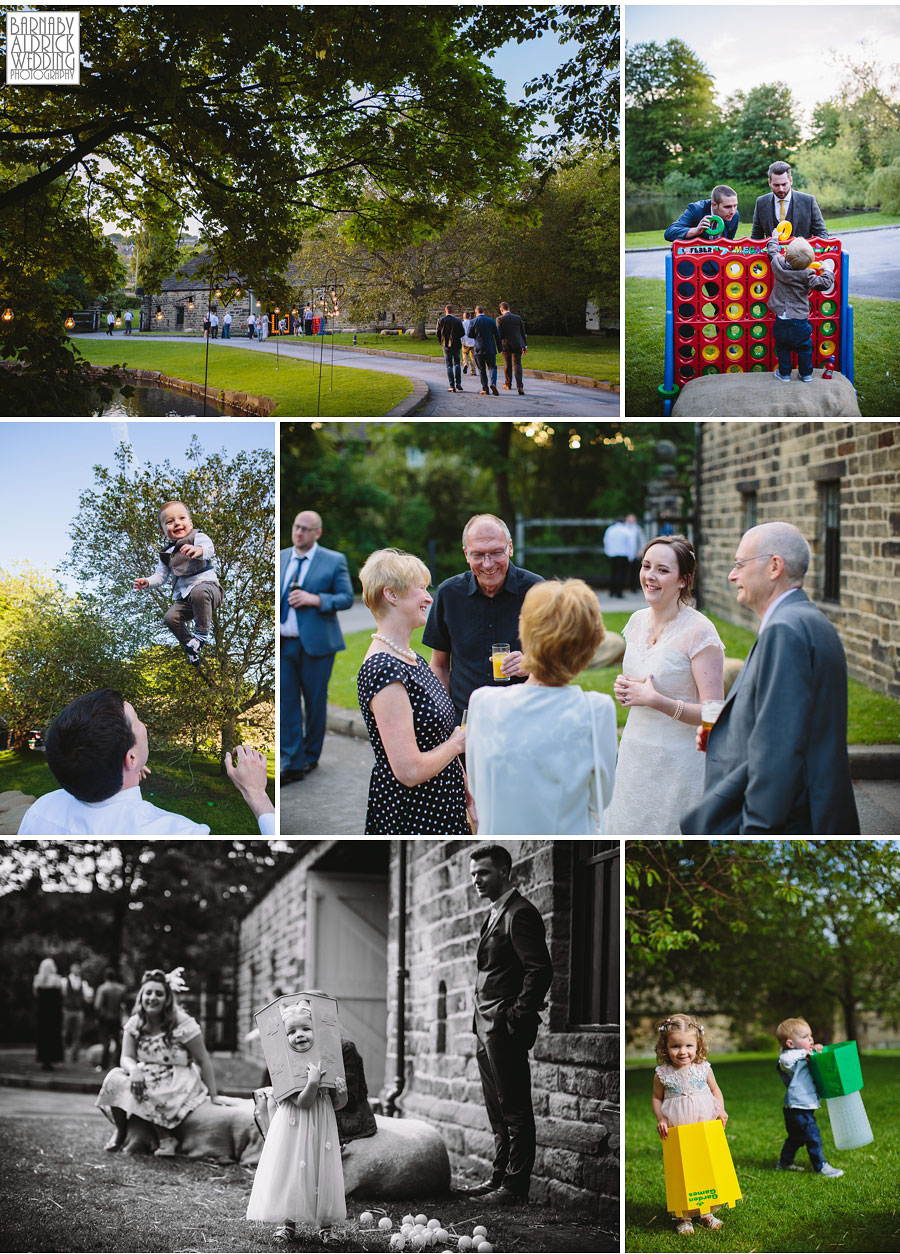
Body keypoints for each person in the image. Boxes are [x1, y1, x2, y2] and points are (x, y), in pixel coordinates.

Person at [681, 521, 860, 834]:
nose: (732, 575)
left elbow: (779, 750)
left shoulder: (784, 630)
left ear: (774, 566)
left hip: (792, 821)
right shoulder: (809, 619)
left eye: (739, 564)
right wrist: (725, 737)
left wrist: (755, 833)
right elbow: (791, 721)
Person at [466, 580, 617, 834]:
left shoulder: (483, 702)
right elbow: (599, 799)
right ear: (589, 646)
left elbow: (480, 789)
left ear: (525, 631)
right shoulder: (597, 709)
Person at [17, 689, 275, 835]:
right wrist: (256, 793)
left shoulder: (42, 809)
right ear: (130, 757)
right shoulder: (179, 833)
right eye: (138, 719)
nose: (145, 726)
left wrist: (123, 778)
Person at [604, 535, 725, 835]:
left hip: (679, 763)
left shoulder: (700, 631)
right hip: (634, 753)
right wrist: (626, 689)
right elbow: (642, 681)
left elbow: (715, 713)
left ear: (683, 580)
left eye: (662, 570)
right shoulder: (635, 621)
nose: (650, 576)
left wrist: (656, 700)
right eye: (646, 566)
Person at [357, 549, 467, 835]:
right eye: (420, 588)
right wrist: (457, 745)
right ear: (391, 595)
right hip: (415, 811)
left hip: (443, 802)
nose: (429, 597)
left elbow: (440, 735)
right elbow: (408, 771)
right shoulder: (383, 668)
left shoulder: (413, 658)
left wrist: (464, 787)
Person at [467, 844, 553, 1204]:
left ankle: (514, 1188)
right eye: (473, 875)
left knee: (515, 1109)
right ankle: (498, 1178)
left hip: (503, 1027)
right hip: (483, 1027)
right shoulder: (493, 913)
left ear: (504, 871)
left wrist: (516, 1017)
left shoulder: (520, 913)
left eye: (483, 873)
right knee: (497, 1109)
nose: (477, 881)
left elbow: (540, 969)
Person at [423, 514, 543, 722]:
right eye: (478, 555)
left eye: (496, 552)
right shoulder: (449, 593)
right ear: (466, 554)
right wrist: (444, 719)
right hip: (467, 723)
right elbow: (440, 665)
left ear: (510, 548)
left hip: (525, 718)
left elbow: (558, 661)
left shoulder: (538, 590)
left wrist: (532, 664)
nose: (488, 564)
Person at [247, 1000, 348, 1240]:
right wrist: (312, 1082)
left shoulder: (325, 1062)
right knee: (292, 1172)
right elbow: (302, 1102)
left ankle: (325, 1227)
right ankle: (287, 1224)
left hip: (321, 1126)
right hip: (295, 1126)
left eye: (305, 1028)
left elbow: (335, 1105)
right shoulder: (284, 1068)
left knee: (321, 1172)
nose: (298, 1035)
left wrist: (342, 1095)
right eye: (291, 1031)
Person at [97, 967, 222, 1155]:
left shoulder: (182, 1023)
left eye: (159, 994)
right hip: (145, 1072)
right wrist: (134, 1070)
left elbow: (203, 1059)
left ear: (167, 999)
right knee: (114, 1077)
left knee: (147, 1083)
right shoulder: (135, 1023)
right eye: (148, 993)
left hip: (178, 1078)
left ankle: (165, 1137)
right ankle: (121, 1131)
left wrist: (214, 1096)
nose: (152, 998)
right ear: (141, 997)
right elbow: (126, 1057)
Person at [280, 510, 353, 786]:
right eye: (297, 526)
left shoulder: (334, 560)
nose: (299, 532)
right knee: (287, 703)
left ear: (317, 533)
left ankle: (310, 756)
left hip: (318, 645)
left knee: (314, 702)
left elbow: (346, 598)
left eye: (306, 529)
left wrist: (314, 599)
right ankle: (292, 762)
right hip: (284, 643)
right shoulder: (282, 556)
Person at [653, 1014, 729, 1236]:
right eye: (675, 1046)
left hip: (703, 1123)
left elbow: (715, 1090)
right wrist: (661, 1118)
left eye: (688, 1045)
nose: (682, 1051)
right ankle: (683, 1216)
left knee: (705, 1166)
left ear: (698, 1045)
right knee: (682, 1169)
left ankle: (706, 1212)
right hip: (678, 1126)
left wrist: (720, 1110)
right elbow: (657, 1098)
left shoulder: (703, 1068)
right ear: (665, 1047)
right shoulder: (662, 1074)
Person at [134, 499, 222, 666]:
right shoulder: (165, 554)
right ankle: (191, 647)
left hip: (209, 590)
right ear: (163, 532)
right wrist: (147, 581)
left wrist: (199, 550)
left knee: (198, 592)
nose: (177, 523)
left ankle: (201, 636)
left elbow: (209, 548)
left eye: (181, 518)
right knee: (170, 618)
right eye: (170, 521)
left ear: (190, 522)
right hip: (185, 599)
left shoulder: (197, 537)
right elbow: (160, 576)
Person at [775, 1017, 843, 1178]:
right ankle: (821, 1167)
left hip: (802, 1107)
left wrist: (814, 1050)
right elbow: (784, 1060)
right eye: (805, 1037)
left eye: (810, 1035)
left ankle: (784, 1162)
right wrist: (804, 1051)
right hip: (797, 1108)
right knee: (813, 1137)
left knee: (796, 1138)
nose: (811, 1039)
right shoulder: (789, 1059)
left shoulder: (804, 1055)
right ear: (791, 1044)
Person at [766, 235, 835, 383]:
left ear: (786, 254)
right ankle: (806, 374)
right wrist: (827, 270)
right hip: (799, 321)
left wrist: (774, 238)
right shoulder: (807, 274)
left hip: (781, 319)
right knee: (804, 348)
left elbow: (771, 251)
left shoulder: (777, 264)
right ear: (808, 264)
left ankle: (784, 374)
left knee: (782, 347)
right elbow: (824, 283)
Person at [751, 161, 829, 240]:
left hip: (801, 252)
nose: (781, 189)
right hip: (772, 252)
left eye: (784, 184)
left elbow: (822, 233)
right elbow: (756, 237)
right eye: (776, 185)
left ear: (791, 181)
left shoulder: (808, 201)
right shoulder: (761, 202)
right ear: (769, 182)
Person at [664, 185, 740, 242]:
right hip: (693, 258)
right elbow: (669, 233)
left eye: (735, 205)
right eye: (727, 207)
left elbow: (728, 242)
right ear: (714, 205)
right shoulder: (696, 209)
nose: (732, 211)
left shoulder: (735, 215)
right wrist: (695, 231)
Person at [33, 958, 64, 1071]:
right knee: (53, 1035)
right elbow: (61, 994)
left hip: (42, 1013)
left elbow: (36, 995)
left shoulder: (37, 979)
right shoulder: (57, 979)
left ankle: (44, 1060)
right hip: (54, 1013)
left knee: (43, 1035)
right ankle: (51, 1059)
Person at [94, 968, 128, 1072]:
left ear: (105, 977)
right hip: (117, 1017)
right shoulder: (121, 989)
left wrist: (97, 1017)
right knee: (118, 1041)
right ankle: (118, 1062)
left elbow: (97, 1005)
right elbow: (124, 1005)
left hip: (105, 1018)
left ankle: (104, 1064)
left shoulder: (103, 989)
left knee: (105, 1042)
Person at [469, 304, 502, 396]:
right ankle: (493, 383)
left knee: (481, 369)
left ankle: (485, 388)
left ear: (476, 313)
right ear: (484, 312)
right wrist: (500, 348)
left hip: (478, 348)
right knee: (492, 367)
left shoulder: (473, 322)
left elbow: (469, 335)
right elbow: (497, 335)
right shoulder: (491, 321)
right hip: (490, 348)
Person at [497, 301, 527, 395]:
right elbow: (523, 332)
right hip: (518, 344)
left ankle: (508, 384)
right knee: (517, 365)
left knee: (507, 365)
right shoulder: (517, 318)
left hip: (506, 345)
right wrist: (524, 345)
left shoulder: (500, 319)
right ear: (509, 308)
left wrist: (499, 345)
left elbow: (499, 335)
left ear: (501, 310)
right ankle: (520, 386)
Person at [63, 961, 90, 1063]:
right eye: (76, 968)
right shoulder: (64, 981)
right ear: (71, 969)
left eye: (79, 968)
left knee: (77, 1034)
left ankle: (74, 1056)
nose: (78, 970)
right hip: (67, 1010)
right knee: (64, 1033)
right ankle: (62, 1054)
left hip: (79, 1011)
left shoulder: (83, 983)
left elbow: (87, 998)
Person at [435, 303, 465, 393]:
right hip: (456, 344)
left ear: (445, 311)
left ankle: (451, 385)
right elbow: (462, 333)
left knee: (449, 365)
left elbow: (438, 333)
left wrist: (441, 342)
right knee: (457, 364)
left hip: (445, 344)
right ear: (453, 311)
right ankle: (458, 383)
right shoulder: (458, 321)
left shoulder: (441, 320)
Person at [602, 517, 633, 598]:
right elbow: (631, 544)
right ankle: (619, 592)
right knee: (621, 574)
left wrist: (607, 552)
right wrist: (631, 555)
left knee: (613, 573)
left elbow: (606, 541)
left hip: (612, 554)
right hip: (623, 554)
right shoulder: (626, 530)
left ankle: (612, 591)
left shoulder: (610, 530)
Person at [623, 513, 647, 592]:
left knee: (635, 571)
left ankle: (634, 588)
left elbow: (642, 540)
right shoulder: (623, 528)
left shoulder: (637, 529)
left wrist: (641, 550)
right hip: (624, 553)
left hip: (635, 553)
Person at [460, 309, 477, 378]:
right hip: (472, 341)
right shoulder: (472, 323)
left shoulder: (462, 323)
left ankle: (465, 364)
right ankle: (473, 371)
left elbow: (461, 333)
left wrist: (461, 340)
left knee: (465, 354)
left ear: (463, 317)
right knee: (473, 357)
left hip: (465, 341)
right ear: (469, 317)